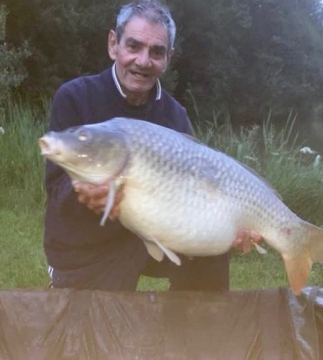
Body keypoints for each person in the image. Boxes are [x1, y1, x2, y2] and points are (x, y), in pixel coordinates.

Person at [44, 0, 262, 292]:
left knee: (212, 257)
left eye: (156, 52)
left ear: (168, 58)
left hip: (150, 231)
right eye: (133, 46)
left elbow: (193, 197)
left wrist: (228, 228)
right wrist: (84, 194)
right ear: (114, 45)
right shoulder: (74, 97)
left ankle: (195, 334)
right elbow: (57, 190)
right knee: (100, 331)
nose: (143, 61)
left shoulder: (174, 116)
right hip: (86, 244)